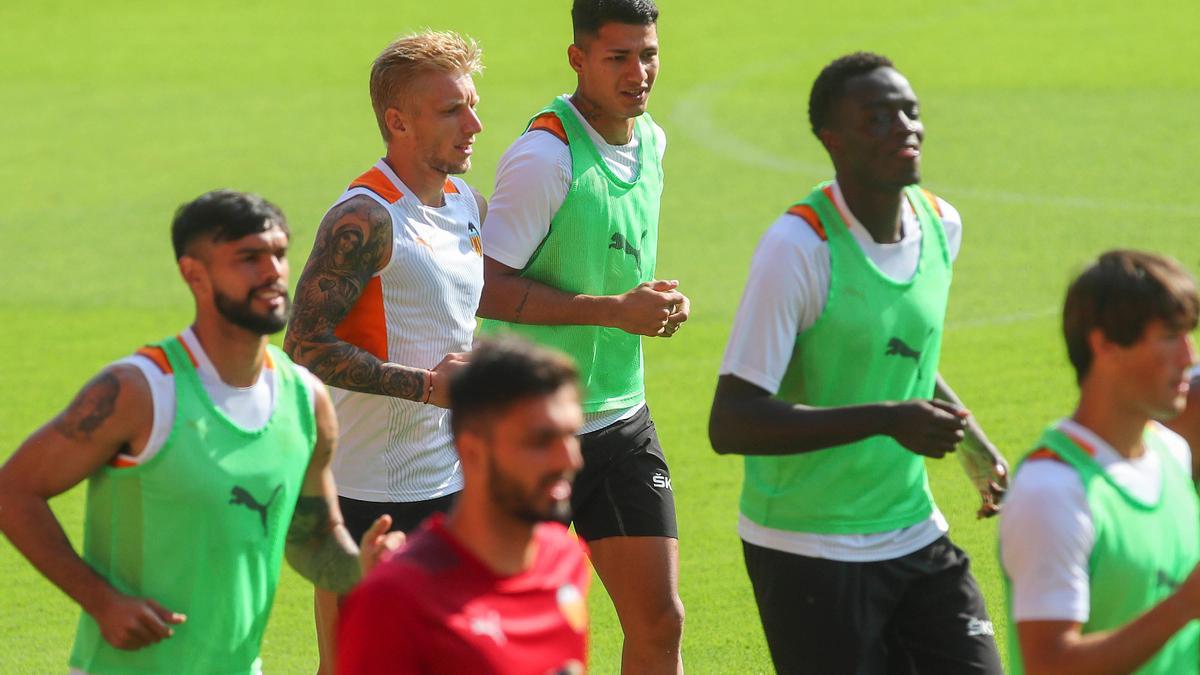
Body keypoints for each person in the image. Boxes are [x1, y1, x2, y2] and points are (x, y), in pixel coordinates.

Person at [0, 190, 401, 675]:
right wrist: (101, 601)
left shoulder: (305, 401)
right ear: (194, 274)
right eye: (248, 258)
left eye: (278, 252)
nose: (273, 271)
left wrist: (365, 567)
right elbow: (13, 490)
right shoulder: (140, 391)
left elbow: (313, 540)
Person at [708, 52, 1006, 674]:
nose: (904, 127)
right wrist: (885, 418)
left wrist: (974, 447)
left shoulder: (941, 226)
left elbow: (903, 358)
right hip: (807, 546)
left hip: (912, 530)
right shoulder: (798, 248)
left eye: (910, 111)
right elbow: (732, 421)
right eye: (877, 118)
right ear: (831, 140)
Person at [476, 1, 686, 671]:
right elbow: (484, 284)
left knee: (660, 621)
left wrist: (653, 303)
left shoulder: (650, 140)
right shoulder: (544, 156)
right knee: (518, 632)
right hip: (527, 429)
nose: (638, 72)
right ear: (578, 58)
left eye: (647, 54)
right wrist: (610, 311)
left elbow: (616, 259)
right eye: (617, 57)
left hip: (621, 419)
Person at [283, 30, 487, 672]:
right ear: (398, 121)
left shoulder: (465, 206)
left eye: (474, 103)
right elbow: (304, 345)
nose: (475, 124)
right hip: (366, 490)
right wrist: (427, 387)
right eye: (453, 109)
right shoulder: (365, 218)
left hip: (452, 480)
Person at [336, 338, 591, 675]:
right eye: (540, 441)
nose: (570, 459)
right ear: (473, 451)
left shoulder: (565, 560)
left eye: (571, 435)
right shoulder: (396, 599)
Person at [1000, 250, 1200, 675]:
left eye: (1189, 335)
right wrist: (1184, 605)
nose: (1189, 356)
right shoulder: (1053, 491)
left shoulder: (1172, 454)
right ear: (1105, 342)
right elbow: (1049, 666)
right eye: (1169, 336)